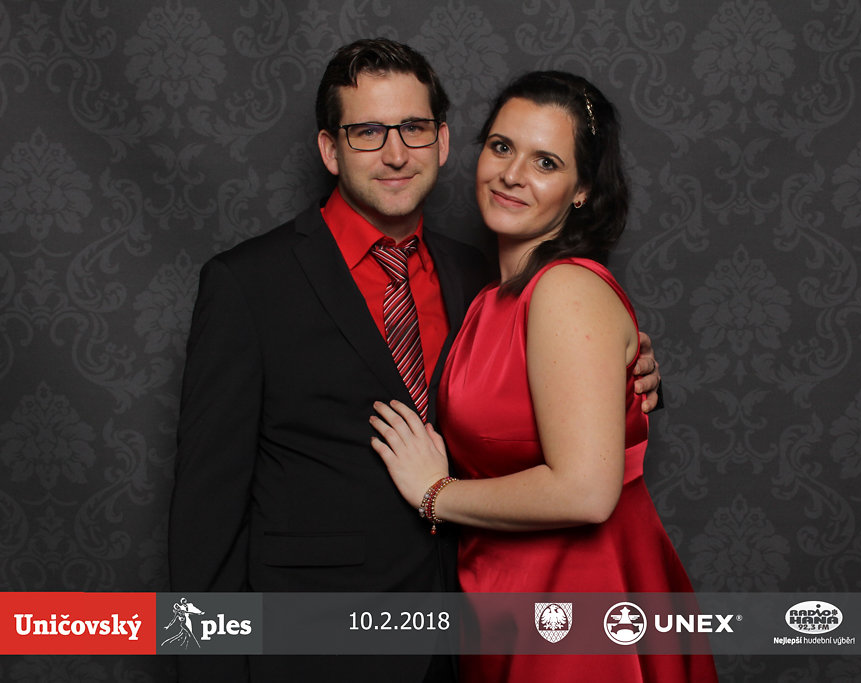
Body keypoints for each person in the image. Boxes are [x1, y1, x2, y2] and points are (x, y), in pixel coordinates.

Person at [168, 39, 662, 683]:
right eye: (368, 132)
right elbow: (205, 519)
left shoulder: (483, 276)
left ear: (443, 141)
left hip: (472, 636)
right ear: (330, 150)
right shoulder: (248, 285)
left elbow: (546, 400)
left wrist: (627, 368)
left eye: (413, 128)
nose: (396, 153)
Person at [370, 72, 718, 681]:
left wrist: (435, 493)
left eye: (546, 162)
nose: (511, 174)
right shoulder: (493, 296)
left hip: (579, 605)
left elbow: (586, 492)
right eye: (502, 146)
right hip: (510, 598)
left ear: (582, 189)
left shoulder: (563, 290)